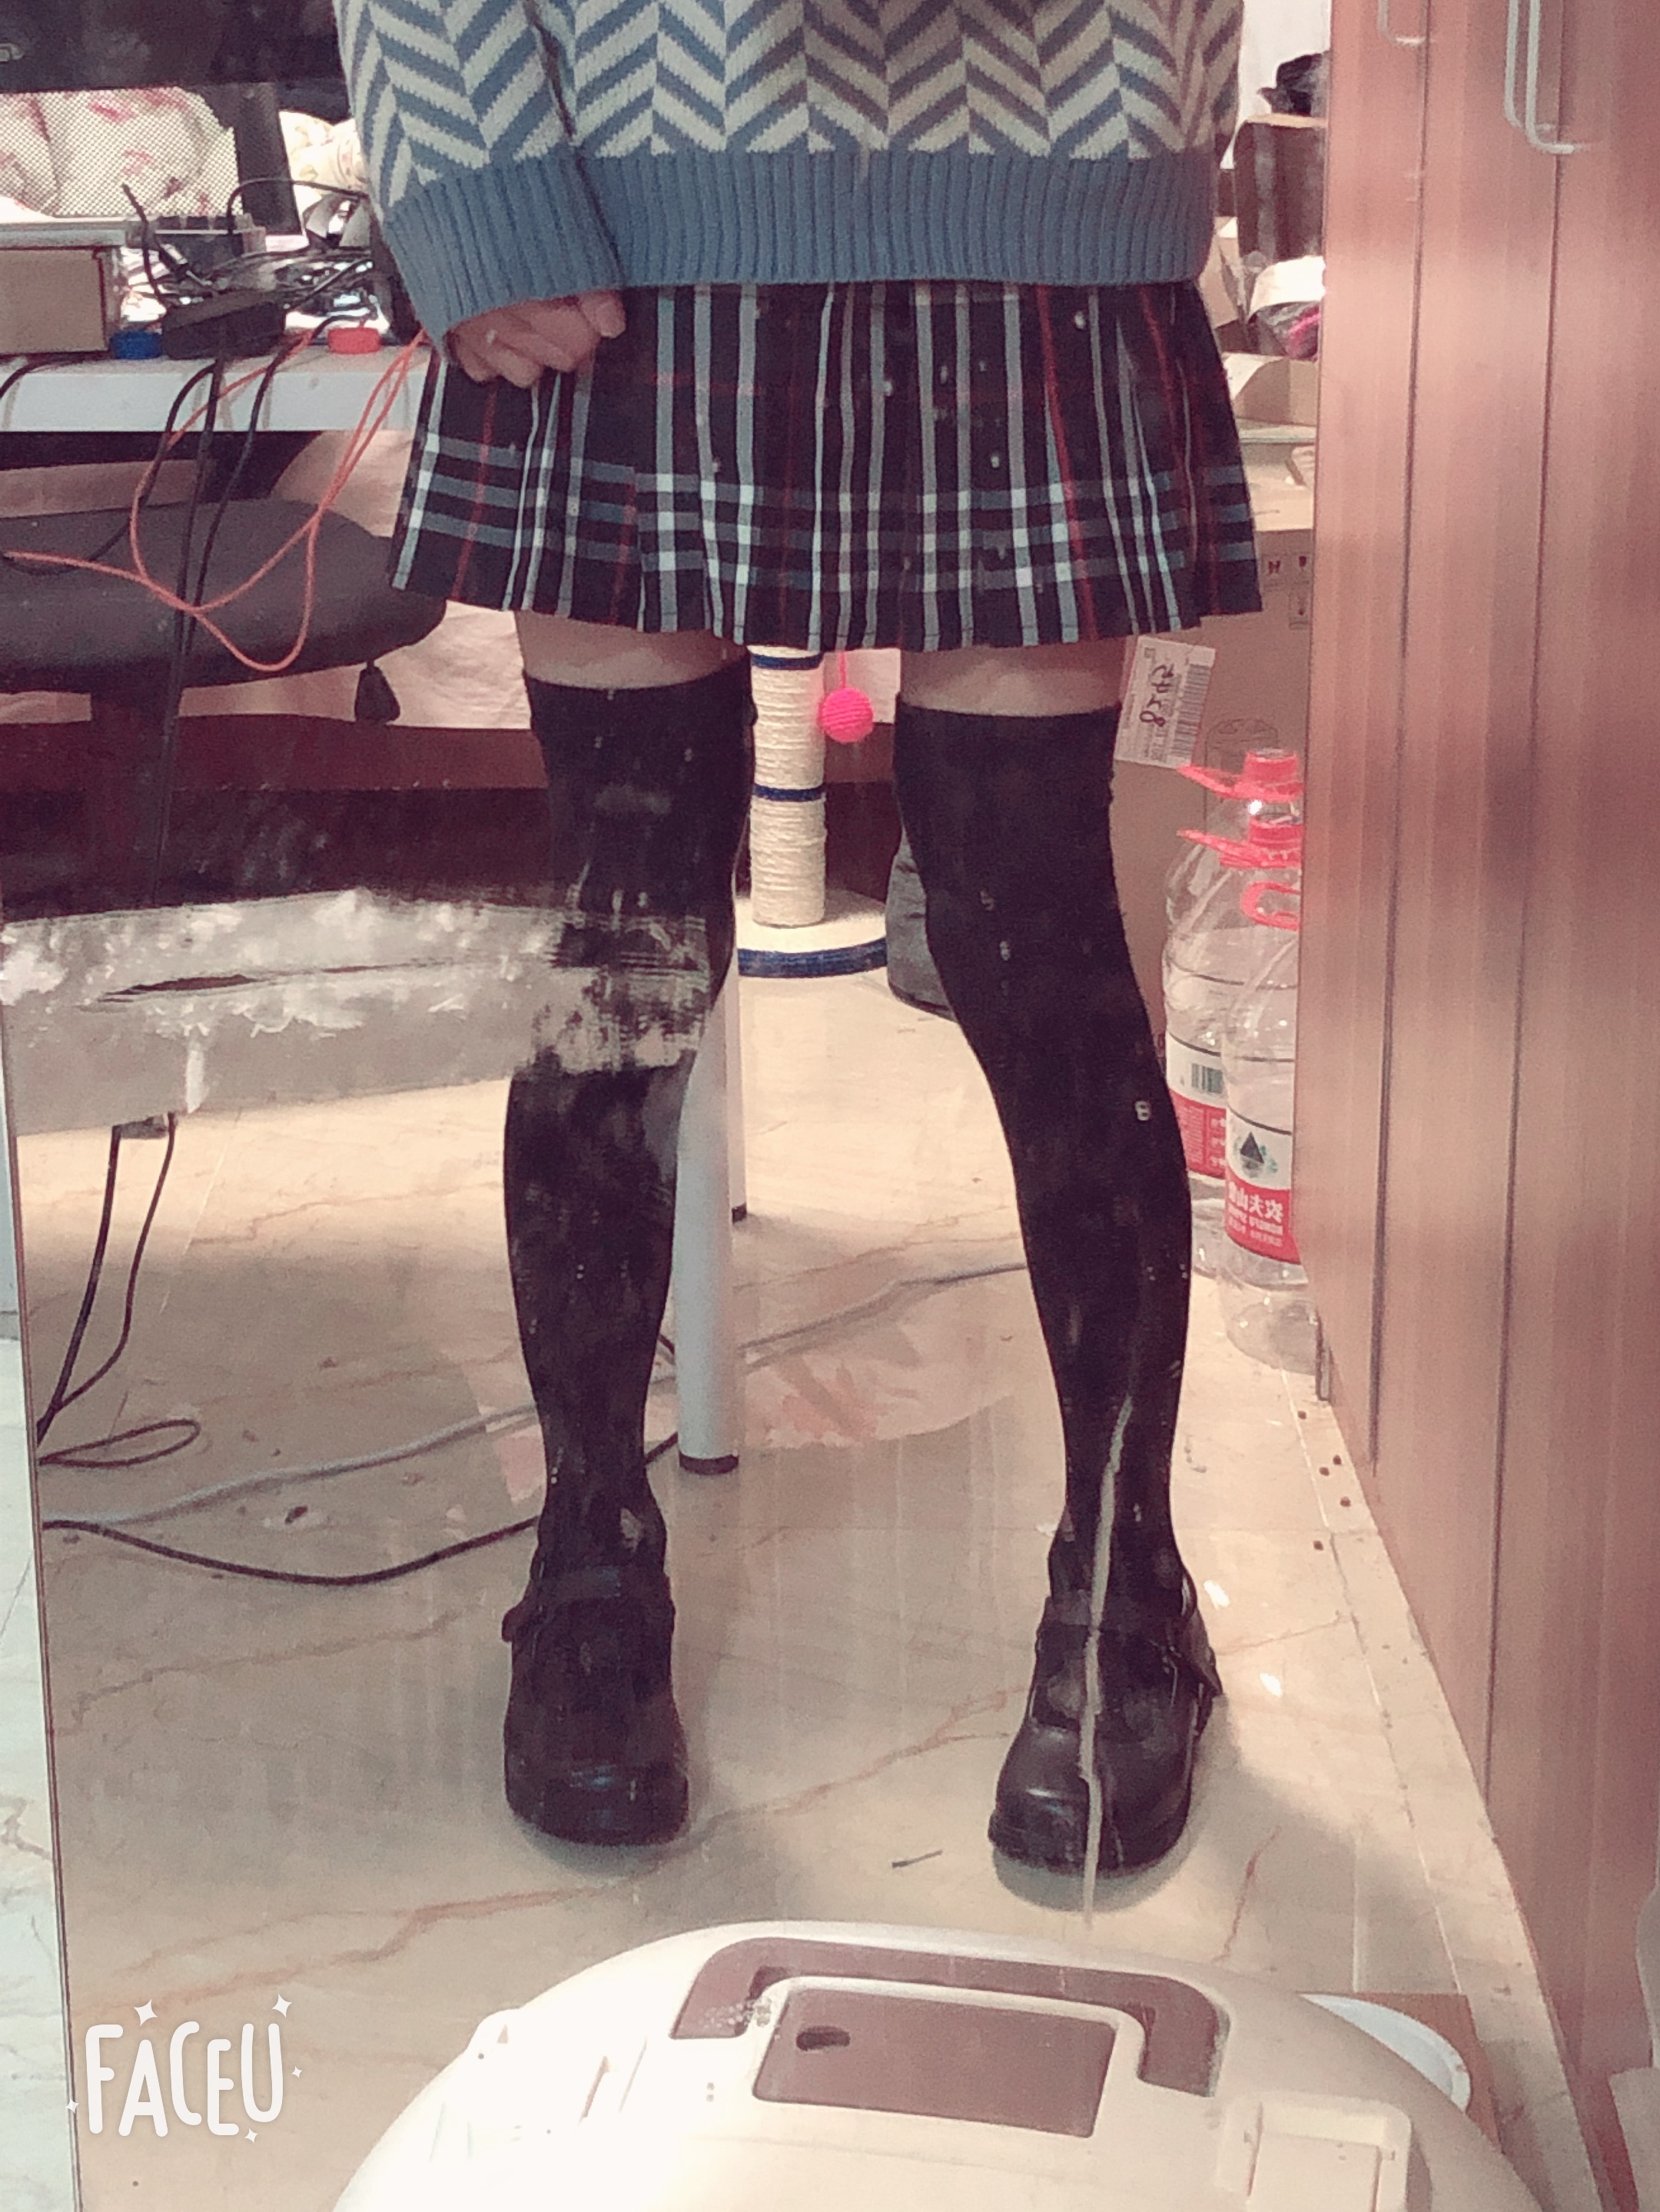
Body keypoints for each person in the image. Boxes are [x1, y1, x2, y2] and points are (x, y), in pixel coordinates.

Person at [334, 0, 1260, 1875]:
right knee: (623, 958)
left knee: (1035, 941)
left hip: (1043, 200)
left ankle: (1125, 1581)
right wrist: (475, 190)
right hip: (626, 210)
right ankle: (590, 1551)